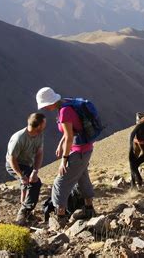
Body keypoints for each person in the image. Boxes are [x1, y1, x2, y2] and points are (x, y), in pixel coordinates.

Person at [36, 87, 96, 224]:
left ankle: (61, 218)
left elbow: (69, 137)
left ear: (50, 102)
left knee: (60, 183)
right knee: (82, 177)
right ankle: (89, 209)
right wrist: (60, 144)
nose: (45, 108)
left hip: (78, 150)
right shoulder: (67, 103)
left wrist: (64, 160)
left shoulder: (64, 112)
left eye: (45, 105)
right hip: (85, 148)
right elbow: (72, 130)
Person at [6, 113, 46, 225]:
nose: (45, 126)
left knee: (28, 184)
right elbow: (12, 159)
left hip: (27, 164)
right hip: (15, 164)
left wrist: (35, 171)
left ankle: (26, 214)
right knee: (34, 184)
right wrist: (21, 176)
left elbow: (39, 153)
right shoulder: (19, 138)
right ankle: (24, 212)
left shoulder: (39, 135)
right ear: (38, 125)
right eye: (44, 123)